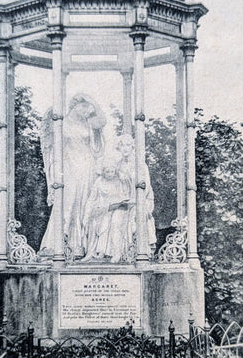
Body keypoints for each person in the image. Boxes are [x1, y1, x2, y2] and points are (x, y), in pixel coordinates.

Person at [40, 92, 106, 258]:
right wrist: (55, 173)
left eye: (87, 106)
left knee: (85, 203)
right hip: (69, 166)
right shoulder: (60, 123)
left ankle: (80, 246)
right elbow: (55, 151)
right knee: (67, 202)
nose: (86, 110)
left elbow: (102, 121)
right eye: (83, 106)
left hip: (87, 166)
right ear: (74, 106)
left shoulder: (88, 122)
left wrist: (94, 101)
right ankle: (57, 245)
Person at [81, 160, 133, 263]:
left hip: (118, 209)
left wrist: (117, 204)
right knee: (94, 222)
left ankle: (116, 253)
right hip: (103, 208)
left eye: (112, 171)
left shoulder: (119, 182)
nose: (110, 174)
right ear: (103, 172)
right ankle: (93, 252)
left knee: (115, 222)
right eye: (107, 171)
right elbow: (92, 199)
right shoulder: (99, 182)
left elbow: (125, 198)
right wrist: (88, 214)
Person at [116, 134, 157, 256]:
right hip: (125, 200)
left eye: (128, 145)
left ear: (132, 147)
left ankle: (140, 252)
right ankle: (121, 252)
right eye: (122, 145)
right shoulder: (118, 165)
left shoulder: (140, 164)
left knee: (136, 214)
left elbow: (146, 187)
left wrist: (135, 200)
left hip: (142, 199)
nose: (125, 148)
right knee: (115, 216)